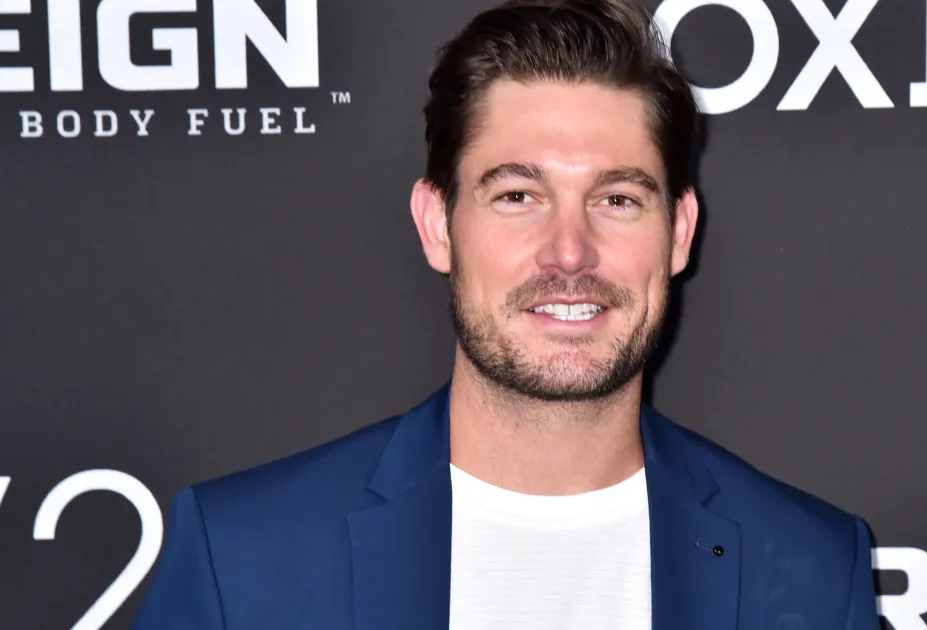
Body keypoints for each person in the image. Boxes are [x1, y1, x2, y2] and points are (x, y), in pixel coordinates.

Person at [131, 1, 880, 628]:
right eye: (518, 195)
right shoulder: (245, 557)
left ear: (679, 232)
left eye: (617, 199)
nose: (569, 252)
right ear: (437, 225)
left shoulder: (812, 567)